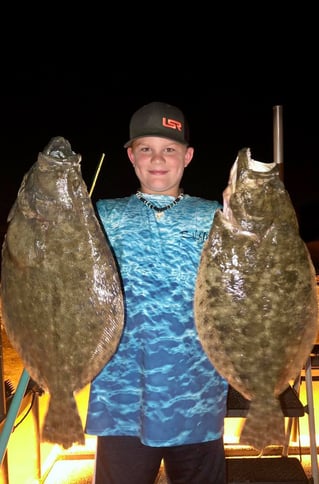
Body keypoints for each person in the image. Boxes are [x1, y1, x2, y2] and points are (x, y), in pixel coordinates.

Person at [85, 101, 229, 483]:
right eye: (146, 148)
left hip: (198, 395)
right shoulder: (100, 215)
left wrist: (248, 217)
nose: (158, 159)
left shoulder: (217, 215)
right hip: (121, 398)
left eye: (169, 149)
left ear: (188, 155)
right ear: (132, 156)